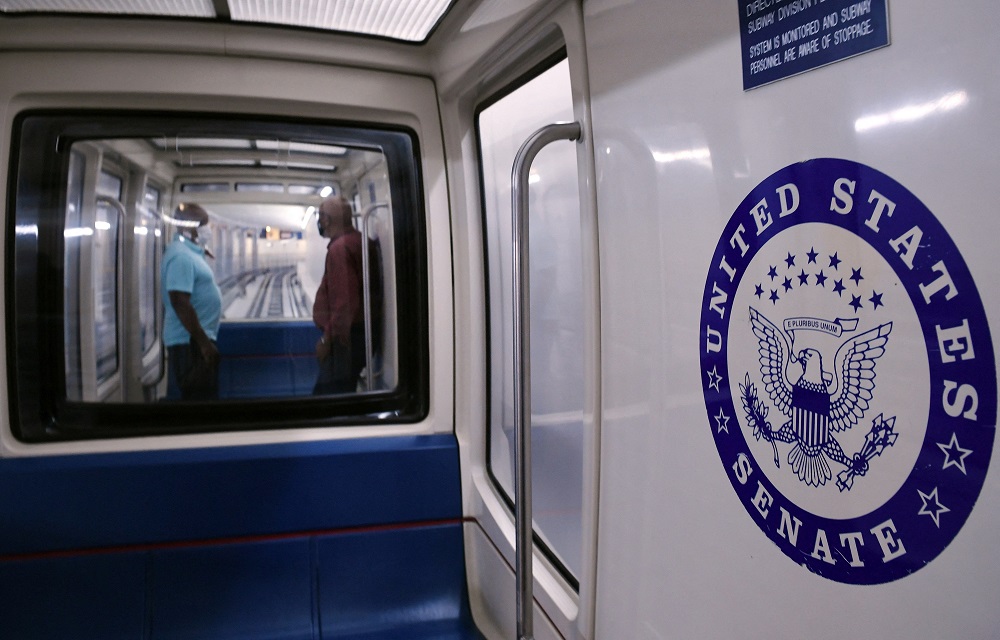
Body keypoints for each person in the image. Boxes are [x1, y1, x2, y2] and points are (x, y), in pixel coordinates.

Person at [162, 203, 222, 400]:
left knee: (203, 399)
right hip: (190, 344)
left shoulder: (188, 252)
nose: (207, 229)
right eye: (204, 225)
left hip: (193, 342)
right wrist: (204, 344)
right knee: (199, 403)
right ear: (189, 226)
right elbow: (179, 302)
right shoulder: (181, 256)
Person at [312, 196, 367, 394]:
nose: (319, 222)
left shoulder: (339, 249)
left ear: (326, 220)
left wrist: (327, 341)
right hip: (355, 335)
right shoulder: (359, 240)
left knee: (327, 398)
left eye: (320, 217)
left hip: (344, 341)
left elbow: (345, 303)